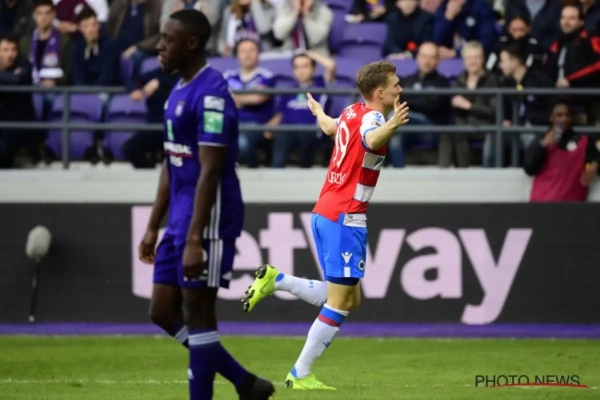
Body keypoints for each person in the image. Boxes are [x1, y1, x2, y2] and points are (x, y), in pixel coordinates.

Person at [241, 61, 410, 389]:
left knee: (350, 298)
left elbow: (331, 128)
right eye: (395, 85)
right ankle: (299, 374)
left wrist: (318, 112)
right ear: (380, 92)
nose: (400, 89)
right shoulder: (375, 118)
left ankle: (278, 280)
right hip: (346, 216)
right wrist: (393, 124)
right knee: (340, 301)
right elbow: (371, 140)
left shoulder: (351, 111)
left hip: (326, 210)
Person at [137, 9, 274, 400]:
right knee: (162, 311)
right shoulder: (177, 90)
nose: (160, 47)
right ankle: (244, 382)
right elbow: (173, 161)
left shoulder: (212, 94)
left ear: (192, 43)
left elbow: (210, 170)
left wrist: (196, 238)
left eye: (167, 40)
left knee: (198, 314)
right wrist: (153, 224)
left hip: (208, 217)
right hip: (180, 215)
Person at [524, 100, 600, 202]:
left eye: (567, 115)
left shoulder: (583, 142)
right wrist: (543, 145)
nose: (563, 119)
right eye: (559, 115)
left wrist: (595, 164)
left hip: (572, 207)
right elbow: (529, 168)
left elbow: (596, 158)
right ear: (551, 118)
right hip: (542, 204)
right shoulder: (542, 139)